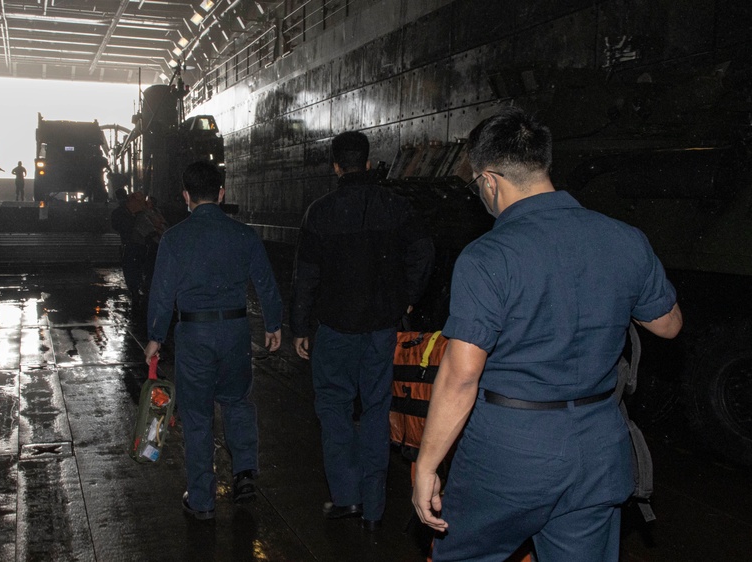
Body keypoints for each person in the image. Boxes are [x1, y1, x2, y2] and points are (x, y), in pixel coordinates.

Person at [412, 107, 683, 561]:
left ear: (490, 181)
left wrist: (426, 465)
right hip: (599, 450)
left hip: (510, 453)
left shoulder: (487, 257)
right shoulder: (625, 237)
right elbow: (669, 325)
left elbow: (461, 377)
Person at [290, 131, 435, 530]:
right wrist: (407, 298)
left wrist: (300, 326)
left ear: (336, 166)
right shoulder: (397, 207)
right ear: (368, 163)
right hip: (380, 329)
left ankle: (346, 498)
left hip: (335, 329)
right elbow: (424, 251)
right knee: (376, 410)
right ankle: (374, 508)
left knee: (333, 409)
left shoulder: (319, 212)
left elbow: (307, 275)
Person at [144, 161, 283, 521]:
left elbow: (162, 294)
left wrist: (156, 337)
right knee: (237, 401)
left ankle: (203, 499)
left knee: (197, 414)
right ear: (222, 194)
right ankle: (244, 475)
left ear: (186, 197)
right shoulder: (244, 235)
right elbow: (266, 283)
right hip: (235, 331)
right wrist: (274, 324)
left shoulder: (174, 238)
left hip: (194, 333)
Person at [110, 188, 144, 298]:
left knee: (130, 267)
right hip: (139, 243)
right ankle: (137, 287)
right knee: (137, 266)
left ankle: (134, 289)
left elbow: (116, 226)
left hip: (128, 242)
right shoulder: (139, 212)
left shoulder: (119, 212)